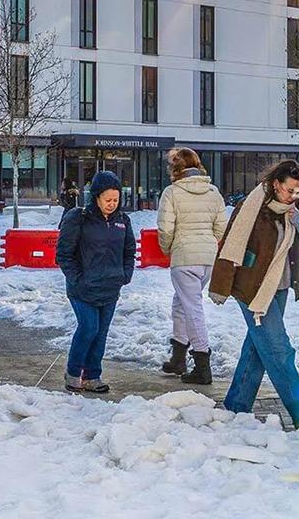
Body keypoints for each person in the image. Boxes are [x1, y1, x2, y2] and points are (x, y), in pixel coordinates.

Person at [209, 160, 299, 429]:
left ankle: (236, 404)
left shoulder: (295, 209)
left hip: (281, 288)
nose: (293, 196)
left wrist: (297, 216)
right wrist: (220, 285)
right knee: (278, 348)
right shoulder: (252, 207)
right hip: (252, 288)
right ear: (276, 184)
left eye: (297, 191)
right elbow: (230, 244)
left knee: (258, 347)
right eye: (289, 190)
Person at [57, 170, 136, 392]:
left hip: (110, 287)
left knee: (101, 333)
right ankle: (73, 372)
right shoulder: (78, 218)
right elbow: (64, 254)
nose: (112, 204)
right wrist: (77, 279)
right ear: (96, 197)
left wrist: (125, 274)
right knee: (89, 328)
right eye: (107, 199)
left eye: (116, 200)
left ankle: (92, 376)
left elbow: (129, 250)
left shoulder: (123, 221)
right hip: (83, 288)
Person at [155, 148, 226, 385]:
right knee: (181, 303)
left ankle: (202, 364)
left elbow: (165, 229)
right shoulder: (213, 192)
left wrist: (169, 249)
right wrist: (208, 244)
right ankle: (178, 357)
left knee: (192, 308)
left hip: (184, 256)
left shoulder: (172, 192)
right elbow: (221, 227)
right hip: (207, 258)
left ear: (176, 168)